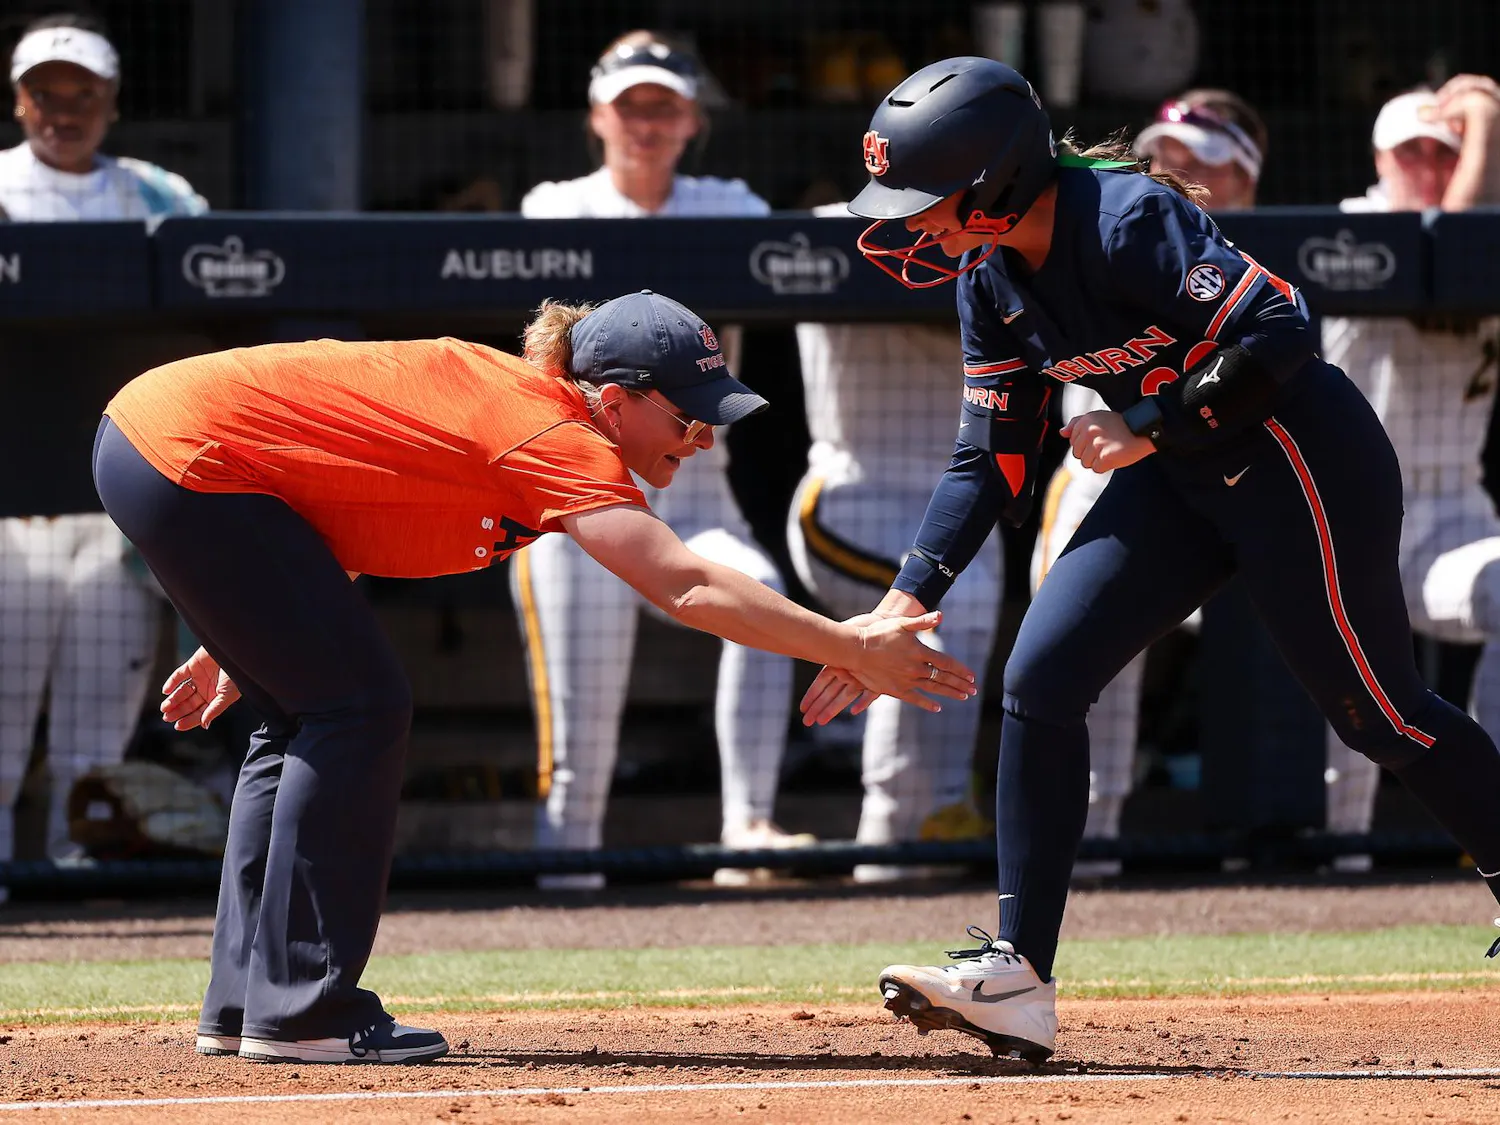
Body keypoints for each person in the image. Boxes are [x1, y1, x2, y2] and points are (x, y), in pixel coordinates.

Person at [803, 56, 1500, 1062]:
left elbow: (1279, 327)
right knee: (1040, 679)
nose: (913, 223)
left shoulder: (1123, 218)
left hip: (1298, 462)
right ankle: (1018, 977)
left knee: (1380, 716)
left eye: (927, 199)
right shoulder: (989, 277)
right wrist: (903, 598)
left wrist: (1148, 418)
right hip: (1179, 479)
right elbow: (991, 457)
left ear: (995, 178)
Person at [94, 290, 976, 1064]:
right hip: (194, 457)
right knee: (356, 708)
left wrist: (240, 627)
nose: (705, 439)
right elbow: (688, 582)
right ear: (617, 400)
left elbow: (339, 484)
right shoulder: (556, 430)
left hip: (165, 446)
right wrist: (852, 645)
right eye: (688, 417)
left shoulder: (524, 404)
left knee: (305, 713)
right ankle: (303, 1009)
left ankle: (252, 1001)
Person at [514, 31, 806, 888]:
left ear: (693, 119)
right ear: (598, 114)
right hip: (580, 496)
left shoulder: (735, 204)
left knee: (766, 597)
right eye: (631, 104)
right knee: (581, 728)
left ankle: (748, 827)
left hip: (698, 486)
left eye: (665, 105)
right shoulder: (552, 204)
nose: (646, 122)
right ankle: (566, 873)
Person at [1030, 90, 1267, 875]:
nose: (1179, 168)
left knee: (1297, 645)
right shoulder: (1110, 225)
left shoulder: (1255, 258)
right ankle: (1086, 847)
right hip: (1104, 473)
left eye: (1206, 157)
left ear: (1249, 173)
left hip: (1235, 468)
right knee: (1086, 656)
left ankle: (1296, 843)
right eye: (1168, 150)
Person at [0, 13, 207, 900]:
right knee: (4, 712)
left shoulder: (160, 196)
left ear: (113, 103)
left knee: (98, 718)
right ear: (19, 100)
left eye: (84, 94)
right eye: (47, 93)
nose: (65, 111)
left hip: (121, 501)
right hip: (15, 504)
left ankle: (75, 879)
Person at [787, 204, 1001, 883]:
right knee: (915, 639)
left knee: (958, 648)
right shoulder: (832, 229)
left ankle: (942, 813)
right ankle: (881, 847)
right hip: (854, 493)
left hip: (962, 502)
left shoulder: (1001, 241)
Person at [1322, 78, 1500, 853]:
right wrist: (1486, 119)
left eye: (1444, 151)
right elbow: (1443, 264)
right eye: (1411, 150)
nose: (1426, 163)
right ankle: (1337, 860)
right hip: (1348, 512)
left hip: (1455, 511)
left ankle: (1490, 820)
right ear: (1377, 159)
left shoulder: (1484, 234)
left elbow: (1465, 245)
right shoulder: (1356, 227)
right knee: (1348, 701)